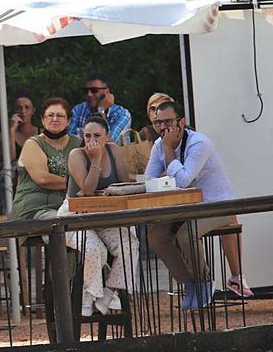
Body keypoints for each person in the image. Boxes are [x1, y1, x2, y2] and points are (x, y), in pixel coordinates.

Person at [145, 101, 249, 308]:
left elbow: (183, 180)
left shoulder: (198, 143)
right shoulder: (158, 145)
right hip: (186, 208)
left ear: (181, 122)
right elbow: (149, 180)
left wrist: (168, 150)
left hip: (217, 204)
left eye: (167, 122)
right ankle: (189, 282)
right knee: (156, 236)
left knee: (186, 233)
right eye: (158, 123)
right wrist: (165, 152)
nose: (162, 128)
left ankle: (204, 281)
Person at [66, 116, 140, 316]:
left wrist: (111, 191)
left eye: (97, 136)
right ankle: (88, 296)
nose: (92, 140)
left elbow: (124, 184)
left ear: (107, 136)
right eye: (87, 135)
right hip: (76, 216)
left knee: (130, 245)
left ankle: (109, 292)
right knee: (94, 249)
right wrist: (96, 159)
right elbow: (87, 190)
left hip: (105, 215)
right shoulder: (76, 154)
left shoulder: (114, 150)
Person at [12, 98, 82, 224]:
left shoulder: (78, 143)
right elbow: (43, 179)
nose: (54, 119)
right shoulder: (33, 143)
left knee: (98, 223)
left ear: (69, 121)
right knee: (67, 224)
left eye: (60, 115)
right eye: (50, 115)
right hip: (36, 209)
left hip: (71, 206)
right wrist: (80, 185)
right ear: (43, 120)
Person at [67, 73, 132, 142]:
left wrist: (101, 110)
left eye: (94, 90)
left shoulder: (122, 114)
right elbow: (70, 140)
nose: (89, 94)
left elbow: (108, 143)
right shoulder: (78, 110)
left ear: (106, 91)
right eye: (86, 91)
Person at [8, 94, 40, 161]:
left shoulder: (42, 133)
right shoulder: (6, 135)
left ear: (33, 111)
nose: (23, 111)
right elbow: (10, 161)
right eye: (19, 108)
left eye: (27, 107)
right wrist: (12, 131)